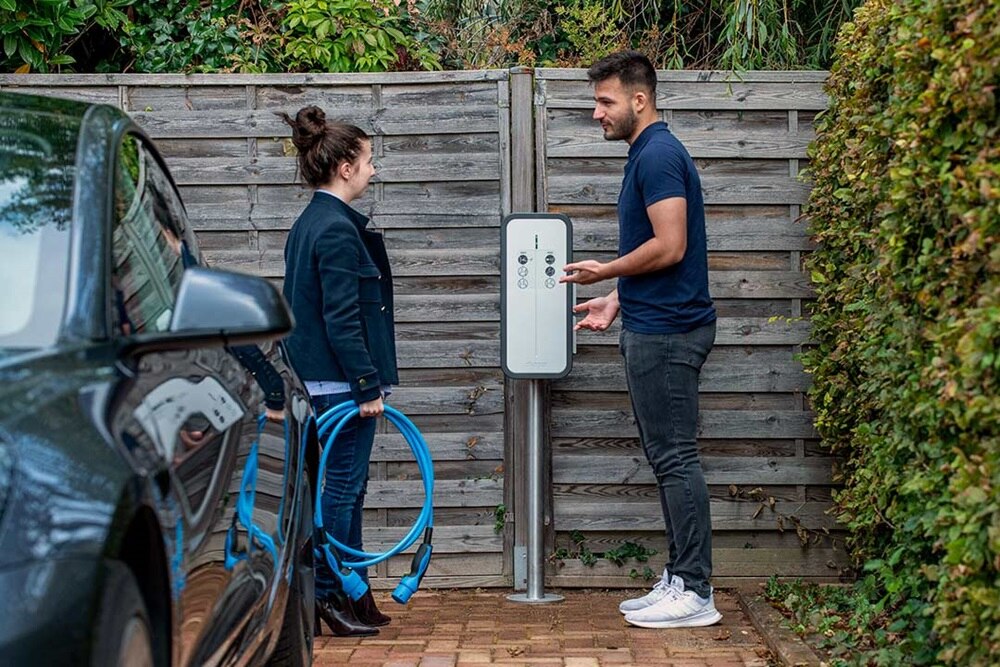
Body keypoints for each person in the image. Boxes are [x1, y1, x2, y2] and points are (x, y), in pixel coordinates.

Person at [560, 51, 720, 629]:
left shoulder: (656, 155)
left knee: (676, 459)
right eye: (595, 102)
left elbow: (671, 245)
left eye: (604, 102)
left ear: (638, 99)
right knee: (667, 459)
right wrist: (618, 297)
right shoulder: (647, 154)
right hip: (654, 322)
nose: (596, 113)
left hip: (671, 332)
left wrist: (606, 271)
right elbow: (661, 253)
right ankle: (680, 577)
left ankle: (696, 591)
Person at [279, 106, 399, 637]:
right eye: (369, 160)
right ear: (346, 167)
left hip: (324, 383)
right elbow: (341, 317)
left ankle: (353, 590)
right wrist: (366, 385)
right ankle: (327, 596)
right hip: (338, 388)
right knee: (340, 494)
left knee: (347, 489)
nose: (374, 169)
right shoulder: (334, 230)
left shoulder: (314, 222)